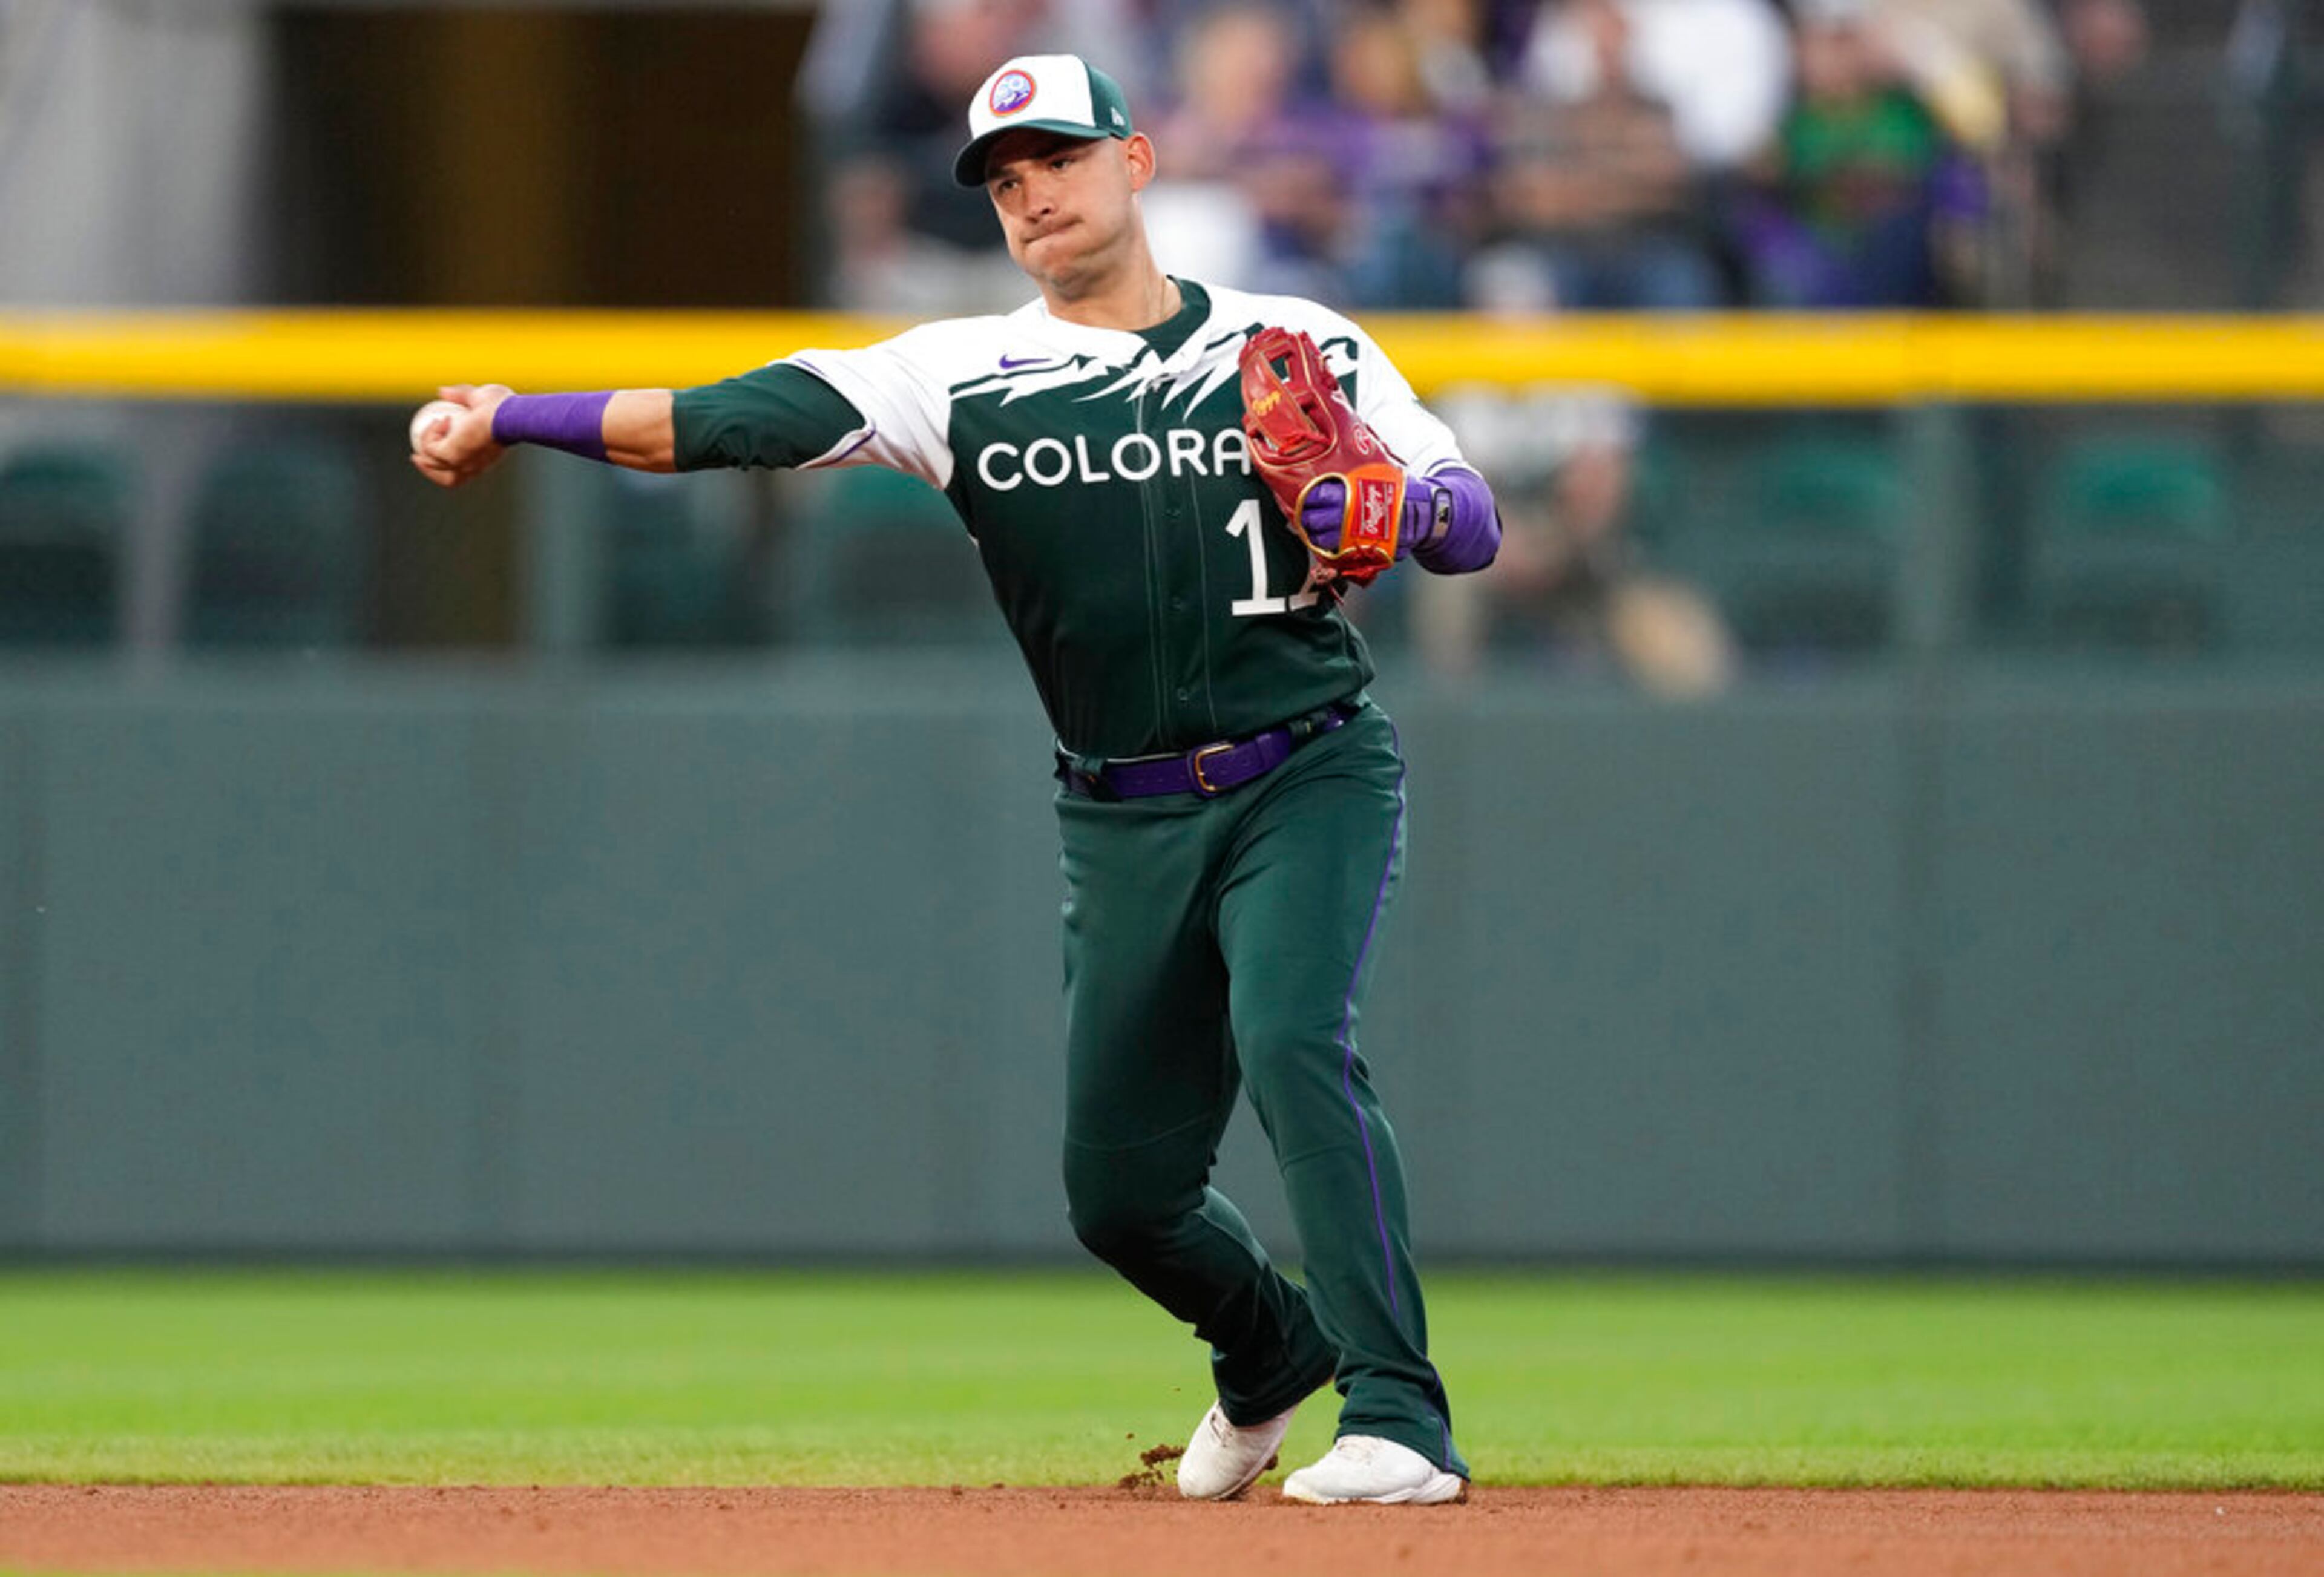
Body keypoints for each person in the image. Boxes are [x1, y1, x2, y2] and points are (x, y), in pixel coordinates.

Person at [411, 53, 1497, 1507]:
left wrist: (1411, 501)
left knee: (1296, 1039)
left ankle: (1402, 1420)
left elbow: (1472, 522)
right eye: (1000, 175)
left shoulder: (1291, 339)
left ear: (1136, 159)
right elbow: (734, 418)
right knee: (1122, 1198)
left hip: (1307, 770)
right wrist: (513, 415)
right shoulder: (958, 375)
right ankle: (1268, 1351)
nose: (1029, 190)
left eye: (1055, 154)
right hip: (1122, 812)